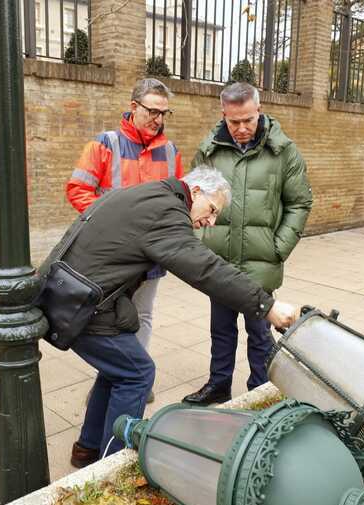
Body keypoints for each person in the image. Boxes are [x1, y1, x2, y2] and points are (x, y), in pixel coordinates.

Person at [41, 168, 300, 468]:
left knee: (118, 369)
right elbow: (205, 268)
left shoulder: (151, 193)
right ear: (197, 192)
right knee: (137, 373)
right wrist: (266, 305)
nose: (211, 222)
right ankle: (111, 464)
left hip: (71, 293)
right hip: (81, 302)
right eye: (213, 210)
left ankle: (87, 448)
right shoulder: (167, 211)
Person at [183, 82, 313, 406]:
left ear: (259, 111)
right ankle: (219, 384)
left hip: (260, 262)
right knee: (221, 330)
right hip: (221, 261)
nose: (241, 128)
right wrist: (203, 241)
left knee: (260, 333)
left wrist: (277, 248)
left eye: (248, 120)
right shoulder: (210, 150)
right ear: (223, 115)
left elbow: (300, 202)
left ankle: (262, 391)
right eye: (233, 121)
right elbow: (193, 197)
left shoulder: (283, 151)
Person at [66, 78, 184, 402]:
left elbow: (178, 202)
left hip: (151, 257)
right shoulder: (105, 144)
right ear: (134, 107)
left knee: (143, 316)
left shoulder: (170, 151)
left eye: (164, 113)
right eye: (152, 111)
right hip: (114, 258)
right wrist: (112, 225)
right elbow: (78, 189)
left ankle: (135, 377)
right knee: (111, 323)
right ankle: (113, 381)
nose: (158, 119)